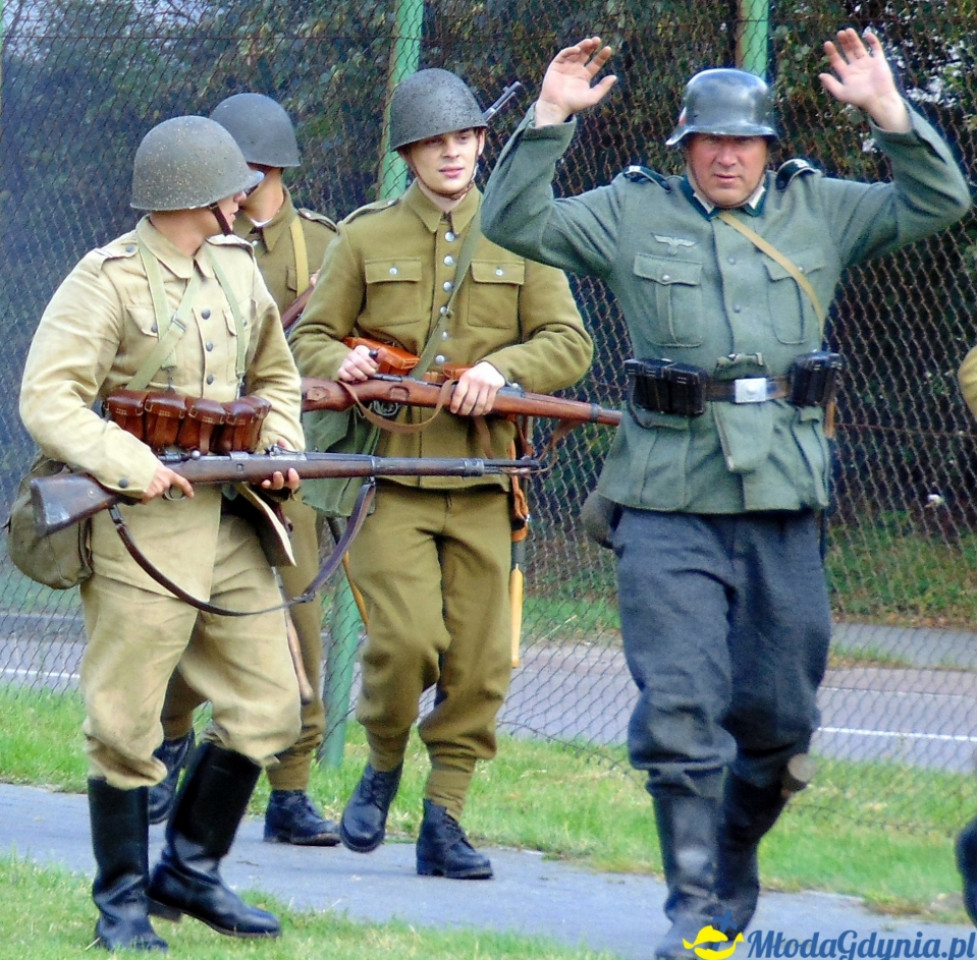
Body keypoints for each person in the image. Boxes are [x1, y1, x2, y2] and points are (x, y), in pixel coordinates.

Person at [479, 29, 970, 957]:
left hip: (783, 498)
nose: (725, 155)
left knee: (782, 727)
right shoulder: (632, 215)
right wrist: (546, 119)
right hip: (664, 498)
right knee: (677, 706)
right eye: (708, 141)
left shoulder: (817, 208)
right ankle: (694, 909)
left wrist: (886, 110)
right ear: (685, 146)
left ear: (767, 148)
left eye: (742, 142)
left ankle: (733, 860)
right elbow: (514, 222)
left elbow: (941, 201)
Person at [288, 68, 593, 880]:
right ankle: (383, 758)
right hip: (386, 479)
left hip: (487, 480)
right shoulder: (363, 237)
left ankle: (445, 816)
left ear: (482, 144)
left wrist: (503, 370)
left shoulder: (525, 231)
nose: (452, 152)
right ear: (410, 153)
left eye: (464, 137)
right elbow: (307, 338)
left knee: (484, 662)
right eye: (435, 141)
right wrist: (342, 357)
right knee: (404, 643)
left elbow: (569, 343)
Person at [19, 114, 307, 950]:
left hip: (228, 521)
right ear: (197, 196)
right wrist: (128, 462)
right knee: (126, 724)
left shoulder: (234, 269)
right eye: (232, 185)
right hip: (136, 526)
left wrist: (281, 445)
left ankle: (189, 869)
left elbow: (275, 375)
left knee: (271, 704)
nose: (246, 195)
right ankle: (121, 905)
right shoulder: (104, 279)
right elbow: (49, 398)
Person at [148, 92, 342, 848]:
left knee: (297, 620)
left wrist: (330, 378)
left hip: (273, 465)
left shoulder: (327, 247)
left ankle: (289, 788)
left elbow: (328, 346)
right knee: (176, 615)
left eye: (255, 167)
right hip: (193, 462)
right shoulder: (177, 239)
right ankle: (169, 741)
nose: (243, 181)